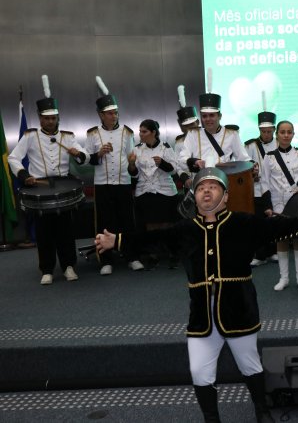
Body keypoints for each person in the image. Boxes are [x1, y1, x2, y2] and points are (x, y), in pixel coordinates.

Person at [95, 167, 298, 422]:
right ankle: (211, 418)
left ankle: (262, 411)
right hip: (202, 316)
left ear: (226, 196)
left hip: (239, 310)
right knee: (199, 371)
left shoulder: (243, 223)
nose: (206, 191)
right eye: (201, 188)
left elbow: (276, 227)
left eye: (213, 187)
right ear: (194, 197)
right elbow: (151, 240)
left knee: (249, 364)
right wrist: (116, 241)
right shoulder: (184, 230)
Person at [8, 79, 87, 284]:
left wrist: (78, 153)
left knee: (66, 231)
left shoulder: (67, 137)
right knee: (44, 233)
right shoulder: (30, 137)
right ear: (40, 119)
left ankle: (69, 266)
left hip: (63, 186)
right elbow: (13, 158)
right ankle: (47, 270)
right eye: (46, 118)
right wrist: (24, 176)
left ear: (58, 118)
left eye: (53, 118)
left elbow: (85, 155)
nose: (50, 122)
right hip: (40, 190)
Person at [85, 77, 140, 275]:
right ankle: (106, 260)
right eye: (109, 113)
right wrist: (98, 154)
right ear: (101, 115)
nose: (114, 116)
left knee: (127, 221)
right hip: (102, 184)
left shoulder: (127, 132)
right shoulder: (92, 134)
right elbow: (85, 159)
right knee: (105, 222)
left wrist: (133, 163)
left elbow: (131, 161)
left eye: (115, 112)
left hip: (123, 182)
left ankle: (131, 256)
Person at [260, 121, 298, 290]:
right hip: (277, 203)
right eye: (282, 132)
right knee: (281, 239)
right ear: (277, 134)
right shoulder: (268, 157)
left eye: (289, 132)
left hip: (297, 203)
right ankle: (284, 278)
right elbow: (264, 182)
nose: (285, 135)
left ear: (293, 134)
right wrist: (268, 206)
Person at [127, 119, 180, 268]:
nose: (141, 134)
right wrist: (131, 164)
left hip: (164, 190)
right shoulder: (137, 149)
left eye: (144, 131)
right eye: (140, 131)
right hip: (145, 190)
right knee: (150, 225)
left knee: (167, 224)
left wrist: (162, 163)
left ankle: (172, 253)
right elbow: (134, 175)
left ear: (153, 133)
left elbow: (174, 170)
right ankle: (153, 254)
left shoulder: (165, 148)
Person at [178, 89, 250, 173]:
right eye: (204, 116)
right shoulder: (193, 134)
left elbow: (243, 159)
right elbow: (181, 160)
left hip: (224, 181)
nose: (208, 119)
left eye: (212, 115)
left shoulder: (232, 134)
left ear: (220, 116)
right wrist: (195, 161)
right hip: (201, 182)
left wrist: (254, 167)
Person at [245, 111, 278, 267]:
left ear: (274, 129)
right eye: (263, 131)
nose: (266, 134)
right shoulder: (251, 145)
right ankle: (259, 254)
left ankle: (273, 252)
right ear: (259, 130)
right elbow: (244, 164)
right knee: (258, 222)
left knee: (273, 222)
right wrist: (252, 173)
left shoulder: (279, 144)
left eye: (269, 131)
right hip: (257, 190)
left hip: (275, 189)